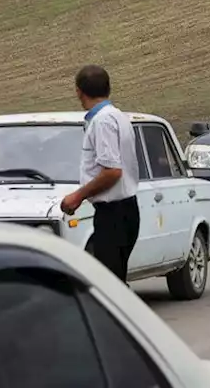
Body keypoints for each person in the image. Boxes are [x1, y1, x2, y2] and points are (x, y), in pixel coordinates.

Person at [60, 65, 140, 282]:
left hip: (113, 213)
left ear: (79, 92)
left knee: (110, 284)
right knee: (116, 282)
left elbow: (112, 171)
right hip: (126, 209)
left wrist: (78, 196)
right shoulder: (119, 116)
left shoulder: (103, 121)